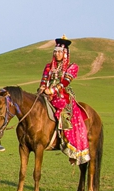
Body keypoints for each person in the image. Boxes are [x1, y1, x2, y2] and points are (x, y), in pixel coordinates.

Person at [38, 36, 89, 165]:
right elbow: (44, 80)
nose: (57, 54)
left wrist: (53, 91)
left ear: (65, 53)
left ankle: (66, 142)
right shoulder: (49, 67)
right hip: (46, 94)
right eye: (55, 51)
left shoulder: (72, 67)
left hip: (61, 96)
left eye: (60, 51)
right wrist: (43, 88)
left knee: (64, 113)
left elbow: (65, 82)